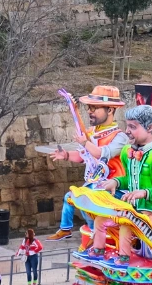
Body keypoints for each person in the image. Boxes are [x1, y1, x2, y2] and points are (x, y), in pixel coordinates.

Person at [89, 105, 152, 267]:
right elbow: (129, 179)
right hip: (132, 211)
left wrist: (144, 193)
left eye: (133, 127)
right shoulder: (126, 153)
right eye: (127, 125)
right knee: (100, 221)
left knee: (126, 224)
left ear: (149, 128)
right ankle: (97, 252)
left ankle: (123, 258)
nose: (127, 131)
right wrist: (115, 182)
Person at [49, 85, 130, 240]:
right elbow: (82, 157)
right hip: (94, 186)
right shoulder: (91, 133)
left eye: (94, 108)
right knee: (71, 198)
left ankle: (96, 236)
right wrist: (66, 155)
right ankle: (68, 229)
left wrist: (86, 143)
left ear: (110, 110)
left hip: (113, 189)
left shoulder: (120, 137)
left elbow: (101, 154)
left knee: (86, 201)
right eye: (89, 107)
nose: (89, 111)